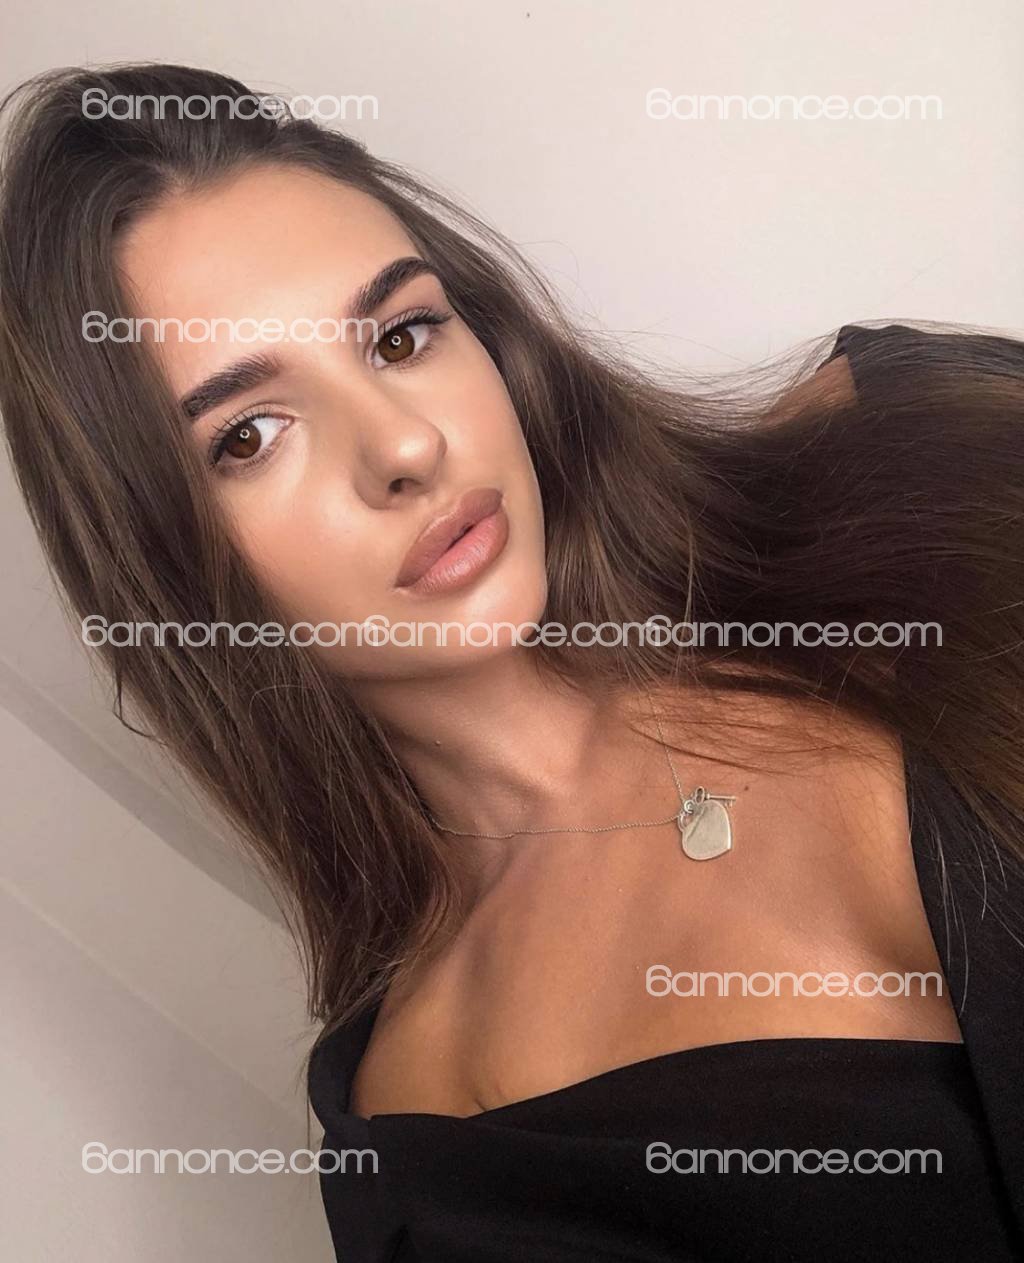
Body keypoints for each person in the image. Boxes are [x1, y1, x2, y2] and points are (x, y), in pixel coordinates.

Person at [1, 62, 1023, 1263]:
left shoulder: (915, 456)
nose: (403, 445)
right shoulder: (436, 1154)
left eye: (400, 335)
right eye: (250, 434)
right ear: (165, 565)